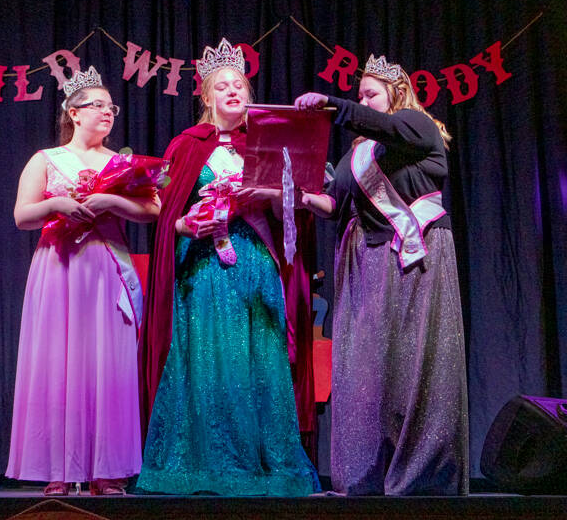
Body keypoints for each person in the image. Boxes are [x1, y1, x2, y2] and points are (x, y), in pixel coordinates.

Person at [137, 39, 320, 496]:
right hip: (202, 271)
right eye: (223, 86)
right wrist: (184, 222)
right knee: (204, 360)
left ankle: (263, 466)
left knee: (259, 360)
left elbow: (290, 217)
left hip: (255, 265)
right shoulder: (186, 145)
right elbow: (167, 216)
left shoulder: (270, 145)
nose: (233, 91)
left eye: (240, 84)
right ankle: (198, 463)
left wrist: (272, 196)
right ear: (207, 96)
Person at [295, 54, 469, 495]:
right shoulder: (360, 154)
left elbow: (384, 127)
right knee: (371, 368)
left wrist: (333, 105)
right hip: (370, 262)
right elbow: (334, 205)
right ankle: (367, 474)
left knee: (416, 359)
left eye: (371, 95)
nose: (365, 103)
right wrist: (301, 194)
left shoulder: (416, 126)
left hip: (416, 253)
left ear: (396, 93)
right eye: (359, 97)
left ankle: (424, 475)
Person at [6, 67, 158, 496]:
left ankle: (106, 471)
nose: (108, 113)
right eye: (98, 106)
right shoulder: (45, 159)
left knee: (108, 366)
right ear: (74, 113)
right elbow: (21, 216)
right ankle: (57, 469)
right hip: (59, 268)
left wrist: (113, 200)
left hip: (106, 267)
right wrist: (57, 203)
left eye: (112, 108)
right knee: (58, 364)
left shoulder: (123, 163)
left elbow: (155, 210)